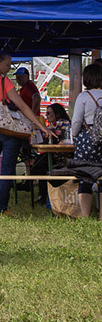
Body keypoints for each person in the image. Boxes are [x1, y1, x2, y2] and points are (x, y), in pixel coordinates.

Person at [0, 49, 50, 216]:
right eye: (7, 65)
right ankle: (0, 208)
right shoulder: (4, 81)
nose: (9, 68)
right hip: (9, 131)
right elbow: (21, 105)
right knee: (7, 170)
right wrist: (40, 125)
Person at [70, 63, 102, 217]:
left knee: (85, 177)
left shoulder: (83, 97)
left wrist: (74, 136)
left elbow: (76, 121)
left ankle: (85, 215)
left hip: (87, 141)